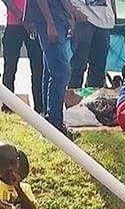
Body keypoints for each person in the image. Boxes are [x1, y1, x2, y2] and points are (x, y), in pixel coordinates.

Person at [26, 0, 84, 132]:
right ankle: (54, 121)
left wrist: (71, 15)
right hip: (49, 20)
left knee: (51, 71)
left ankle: (50, 121)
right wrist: (50, 23)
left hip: (58, 18)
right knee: (61, 72)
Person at [1, 0, 43, 113]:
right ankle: (7, 106)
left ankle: (40, 108)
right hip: (14, 25)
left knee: (38, 68)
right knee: (10, 68)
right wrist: (20, 15)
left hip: (35, 24)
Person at [68, 0, 115, 90]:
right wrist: (73, 12)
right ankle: (73, 100)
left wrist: (113, 14)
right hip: (83, 18)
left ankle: (93, 100)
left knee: (99, 67)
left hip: (104, 22)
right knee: (78, 64)